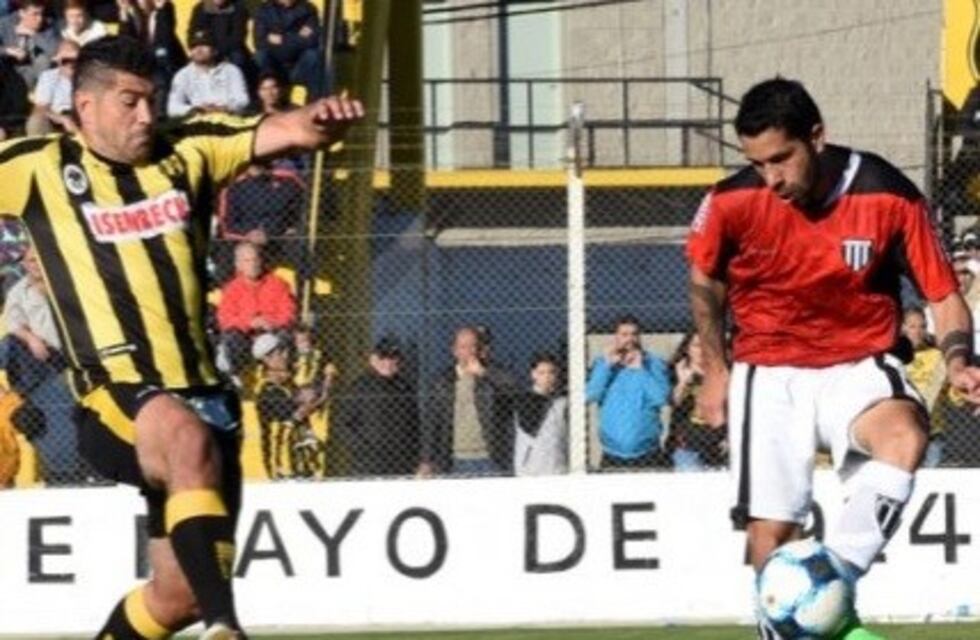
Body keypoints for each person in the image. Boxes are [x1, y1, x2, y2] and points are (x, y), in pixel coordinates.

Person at [0, 35, 361, 639]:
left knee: (176, 598)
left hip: (208, 396)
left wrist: (321, 122)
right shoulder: (35, 167)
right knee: (183, 439)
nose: (146, 115)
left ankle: (206, 613)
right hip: (114, 396)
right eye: (129, 102)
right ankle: (228, 628)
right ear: (85, 106)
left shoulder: (190, 149)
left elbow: (286, 131)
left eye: (151, 100)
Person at [686, 78, 980, 640]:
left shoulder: (887, 194)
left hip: (857, 362)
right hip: (767, 369)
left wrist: (960, 357)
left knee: (906, 437)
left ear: (816, 138)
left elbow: (942, 294)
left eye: (780, 159)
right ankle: (810, 620)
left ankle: (830, 584)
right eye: (757, 164)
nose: (770, 179)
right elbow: (705, 278)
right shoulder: (730, 201)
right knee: (769, 534)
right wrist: (718, 369)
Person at [419, 325, 517, 477]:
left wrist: (484, 372)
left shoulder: (491, 373)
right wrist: (427, 460)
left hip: (491, 459)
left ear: (481, 349)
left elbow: (514, 388)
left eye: (474, 346)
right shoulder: (443, 381)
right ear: (455, 351)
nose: (470, 351)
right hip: (455, 460)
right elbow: (433, 422)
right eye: (464, 346)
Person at [585, 314, 670, 470]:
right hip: (612, 452)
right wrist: (607, 366)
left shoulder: (653, 363)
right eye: (624, 334)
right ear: (615, 337)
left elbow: (661, 398)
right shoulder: (603, 363)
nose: (629, 339)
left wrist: (640, 370)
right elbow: (591, 395)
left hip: (647, 450)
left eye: (634, 334)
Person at [334, 337, 420, 477]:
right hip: (368, 465)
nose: (388, 362)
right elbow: (343, 424)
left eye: (393, 357)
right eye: (383, 357)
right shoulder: (359, 388)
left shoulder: (404, 387)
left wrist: (413, 454)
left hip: (401, 463)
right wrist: (364, 450)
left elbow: (414, 424)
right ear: (373, 359)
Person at [215, 241, 297, 383]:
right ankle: (236, 376)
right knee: (231, 341)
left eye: (255, 259)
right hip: (244, 337)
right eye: (247, 261)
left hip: (271, 332)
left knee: (281, 339)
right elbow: (225, 319)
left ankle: (276, 382)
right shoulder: (231, 289)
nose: (253, 264)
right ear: (238, 265)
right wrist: (250, 322)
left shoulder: (278, 284)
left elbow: (289, 312)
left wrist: (272, 322)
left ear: (261, 260)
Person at [252, 332, 321, 480]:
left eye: (286, 349)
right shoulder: (267, 389)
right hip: (282, 466)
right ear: (266, 359)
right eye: (280, 352)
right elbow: (294, 415)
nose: (286, 354)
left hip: (299, 459)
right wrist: (310, 401)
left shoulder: (288, 384)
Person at [667, 331, 727, 471]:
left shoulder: (719, 373)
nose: (701, 351)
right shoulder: (679, 370)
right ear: (687, 349)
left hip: (717, 447)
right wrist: (683, 382)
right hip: (687, 448)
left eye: (705, 346)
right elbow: (673, 402)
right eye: (696, 346)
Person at [167, 29, 249, 118]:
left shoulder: (231, 70)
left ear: (215, 50)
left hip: (229, 117)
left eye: (204, 45)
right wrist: (197, 109)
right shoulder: (182, 75)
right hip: (198, 121)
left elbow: (243, 100)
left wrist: (224, 108)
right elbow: (172, 108)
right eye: (194, 46)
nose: (198, 50)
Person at [512, 352, 568, 476]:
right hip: (531, 470)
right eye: (541, 373)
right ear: (533, 374)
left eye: (551, 372)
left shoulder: (562, 401)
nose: (547, 377)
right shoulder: (524, 400)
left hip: (558, 468)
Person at [252, 0, 321, 96]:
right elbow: (259, 41)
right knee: (260, 56)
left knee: (313, 55)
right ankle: (260, 100)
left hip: (298, 66)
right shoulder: (264, 10)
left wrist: (281, 39)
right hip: (274, 67)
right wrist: (298, 37)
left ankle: (314, 101)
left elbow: (311, 40)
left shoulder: (308, 9)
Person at [25, 39, 78, 136]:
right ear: (58, 60)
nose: (70, 64)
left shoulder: (87, 77)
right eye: (66, 60)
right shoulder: (49, 76)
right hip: (57, 118)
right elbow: (41, 108)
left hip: (81, 116)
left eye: (74, 60)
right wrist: (63, 119)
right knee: (36, 121)